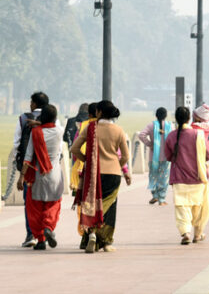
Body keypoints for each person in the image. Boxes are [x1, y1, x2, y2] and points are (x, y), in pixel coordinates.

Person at [71, 100, 131, 253]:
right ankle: (106, 242)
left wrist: (87, 160)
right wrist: (117, 165)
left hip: (93, 173)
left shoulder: (91, 128)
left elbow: (74, 148)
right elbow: (126, 155)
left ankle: (91, 232)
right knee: (109, 207)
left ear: (99, 112)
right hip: (113, 174)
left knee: (91, 202)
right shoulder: (118, 130)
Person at [16, 104, 64, 250]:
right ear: (55, 117)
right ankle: (48, 227)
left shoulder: (35, 133)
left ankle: (40, 239)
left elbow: (28, 157)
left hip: (38, 176)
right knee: (53, 204)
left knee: (35, 208)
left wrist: (21, 177)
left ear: (41, 118)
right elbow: (54, 125)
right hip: (55, 175)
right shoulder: (59, 131)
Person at [164, 106, 209, 245]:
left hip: (179, 179)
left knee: (181, 206)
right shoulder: (199, 135)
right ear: (189, 118)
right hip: (197, 177)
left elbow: (168, 156)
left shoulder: (172, 136)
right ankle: (198, 234)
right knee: (197, 206)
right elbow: (208, 154)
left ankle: (185, 232)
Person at [13, 91, 50, 248]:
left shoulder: (23, 118)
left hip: (28, 167)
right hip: (46, 167)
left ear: (34, 103)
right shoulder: (53, 118)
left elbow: (17, 142)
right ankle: (44, 232)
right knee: (44, 201)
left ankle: (31, 234)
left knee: (29, 202)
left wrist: (18, 161)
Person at [138, 107, 174, 205]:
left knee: (153, 176)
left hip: (153, 157)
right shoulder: (170, 125)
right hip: (166, 157)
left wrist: (150, 144)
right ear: (166, 116)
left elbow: (141, 135)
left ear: (156, 115)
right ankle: (162, 198)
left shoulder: (151, 125)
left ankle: (155, 196)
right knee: (164, 177)